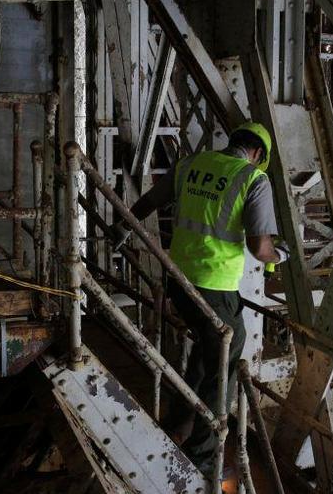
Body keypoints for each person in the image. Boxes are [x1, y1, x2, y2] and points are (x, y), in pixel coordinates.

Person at [109, 121, 289, 476]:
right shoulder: (254, 179)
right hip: (214, 286)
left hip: (179, 280)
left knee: (207, 354)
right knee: (227, 354)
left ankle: (178, 423)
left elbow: (148, 201)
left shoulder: (192, 164)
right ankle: (205, 457)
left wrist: (122, 227)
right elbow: (260, 247)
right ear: (258, 155)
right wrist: (281, 255)